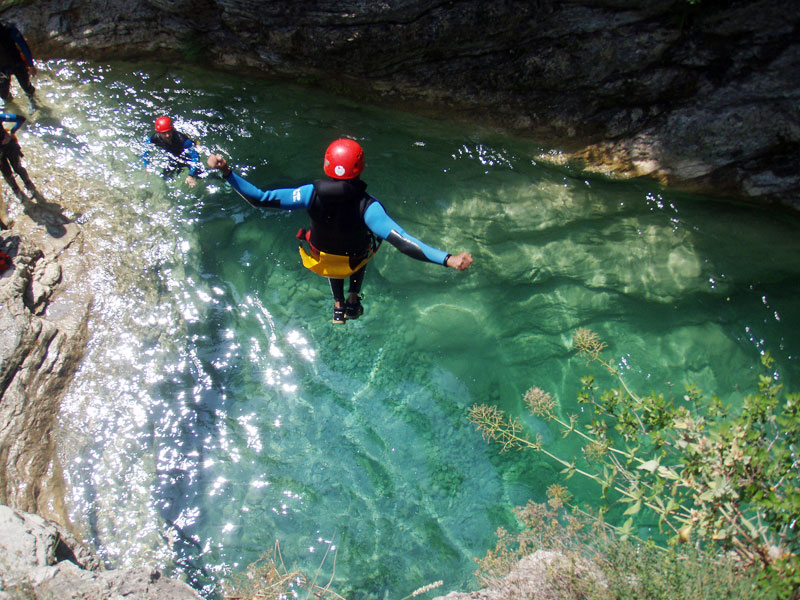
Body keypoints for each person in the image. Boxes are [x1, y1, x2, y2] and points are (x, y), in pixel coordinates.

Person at [207, 138, 473, 324]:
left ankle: (338, 306)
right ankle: (353, 299)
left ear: (326, 165)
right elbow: (402, 241)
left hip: (322, 259)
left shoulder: (309, 194)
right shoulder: (368, 207)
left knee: (333, 260)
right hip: (355, 256)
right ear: (361, 167)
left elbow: (260, 198)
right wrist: (447, 259)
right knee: (363, 247)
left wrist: (227, 172)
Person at [142, 116, 200, 187]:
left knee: (200, 175)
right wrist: (146, 166)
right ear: (158, 133)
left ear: (172, 130)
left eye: (169, 131)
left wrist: (191, 175)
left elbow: (195, 157)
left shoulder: (183, 140)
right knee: (165, 177)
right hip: (173, 156)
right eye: (164, 133)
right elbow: (145, 149)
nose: (167, 135)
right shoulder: (155, 138)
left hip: (186, 156)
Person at [0, 112, 36, 198]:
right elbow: (20, 119)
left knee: (8, 173)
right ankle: (28, 186)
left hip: (9, 147)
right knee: (16, 169)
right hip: (9, 146)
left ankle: (19, 191)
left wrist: (12, 132)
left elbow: (21, 118)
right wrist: (12, 132)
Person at [0, 20, 36, 102]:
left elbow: (24, 46)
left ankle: (33, 101)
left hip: (17, 63)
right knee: (3, 95)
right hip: (2, 69)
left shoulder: (8, 28)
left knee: (26, 87)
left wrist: (31, 65)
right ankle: (9, 106)